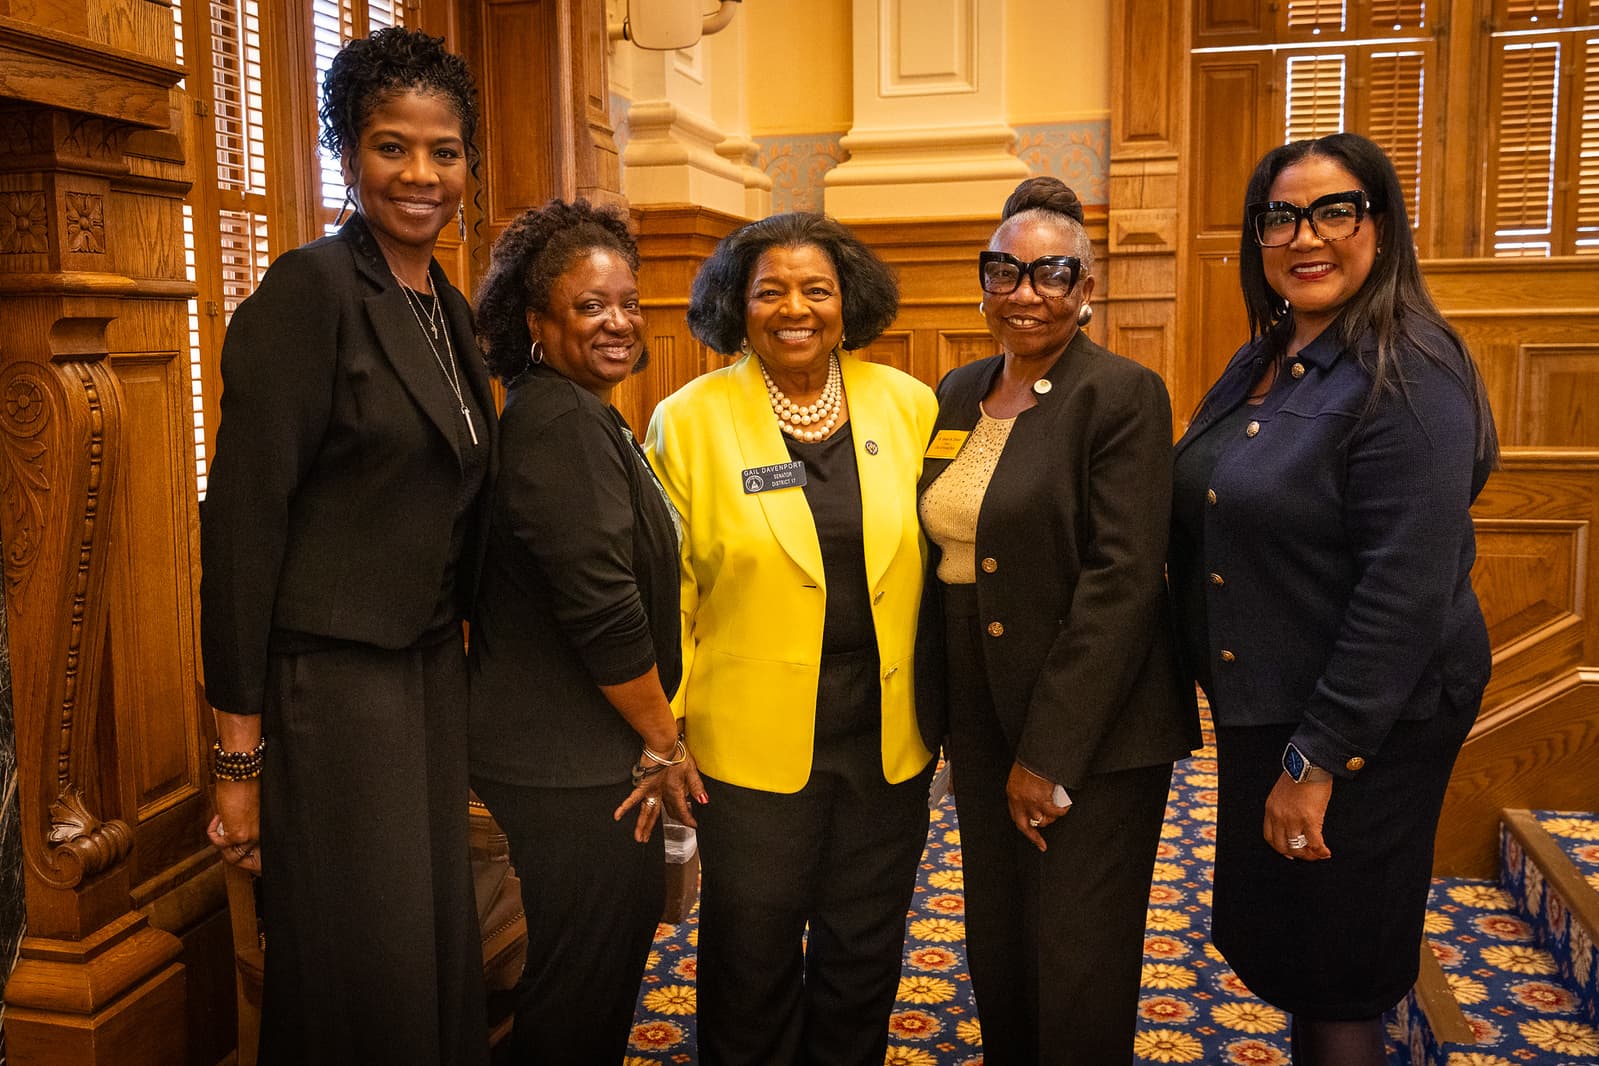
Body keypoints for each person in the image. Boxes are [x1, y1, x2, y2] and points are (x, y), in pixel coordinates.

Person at [1169, 132, 1498, 1066]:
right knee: (1296, 948)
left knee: (1340, 967)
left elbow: (1404, 587)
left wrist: (1317, 760)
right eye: (1279, 216)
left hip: (1361, 721)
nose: (1304, 236)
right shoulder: (1268, 355)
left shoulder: (1411, 368)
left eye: (1334, 210)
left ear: (1382, 226)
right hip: (1269, 695)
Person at [199, 27, 492, 1066]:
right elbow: (240, 527)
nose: (421, 174)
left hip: (423, 672)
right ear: (349, 154)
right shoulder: (309, 291)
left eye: (444, 150)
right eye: (391, 146)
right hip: (330, 683)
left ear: (468, 162)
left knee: (431, 943)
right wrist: (238, 757)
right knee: (364, 961)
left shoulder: (446, 308)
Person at [913, 176, 1200, 1064]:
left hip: (1092, 721)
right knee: (999, 938)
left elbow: (1121, 580)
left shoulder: (1119, 393)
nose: (1025, 294)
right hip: (980, 699)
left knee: (1076, 952)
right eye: (1005, 273)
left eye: (1050, 274)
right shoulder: (958, 391)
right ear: (983, 285)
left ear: (1085, 288)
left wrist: (1049, 753)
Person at [644, 212, 937, 1066]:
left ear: (849, 302)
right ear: (739, 304)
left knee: (864, 944)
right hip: (746, 742)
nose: (794, 308)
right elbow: (673, 595)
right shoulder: (687, 420)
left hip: (885, 733)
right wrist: (667, 732)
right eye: (770, 290)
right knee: (751, 950)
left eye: (817, 289)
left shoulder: (909, 403)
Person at [466, 198, 698, 1063]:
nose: (619, 322)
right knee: (584, 969)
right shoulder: (560, 423)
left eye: (629, 302)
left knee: (590, 955)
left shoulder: (572, 410)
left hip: (569, 748)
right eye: (590, 305)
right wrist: (664, 743)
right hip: (567, 758)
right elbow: (601, 609)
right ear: (535, 321)